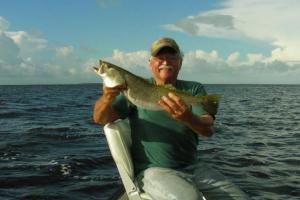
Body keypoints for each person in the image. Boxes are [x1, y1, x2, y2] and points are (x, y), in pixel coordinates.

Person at [93, 37, 249, 200]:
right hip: (153, 171)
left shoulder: (194, 88)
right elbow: (100, 118)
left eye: (171, 57)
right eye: (160, 58)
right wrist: (106, 97)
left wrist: (187, 117)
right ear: (150, 63)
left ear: (180, 62)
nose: (165, 62)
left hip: (194, 167)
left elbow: (208, 130)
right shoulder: (132, 89)